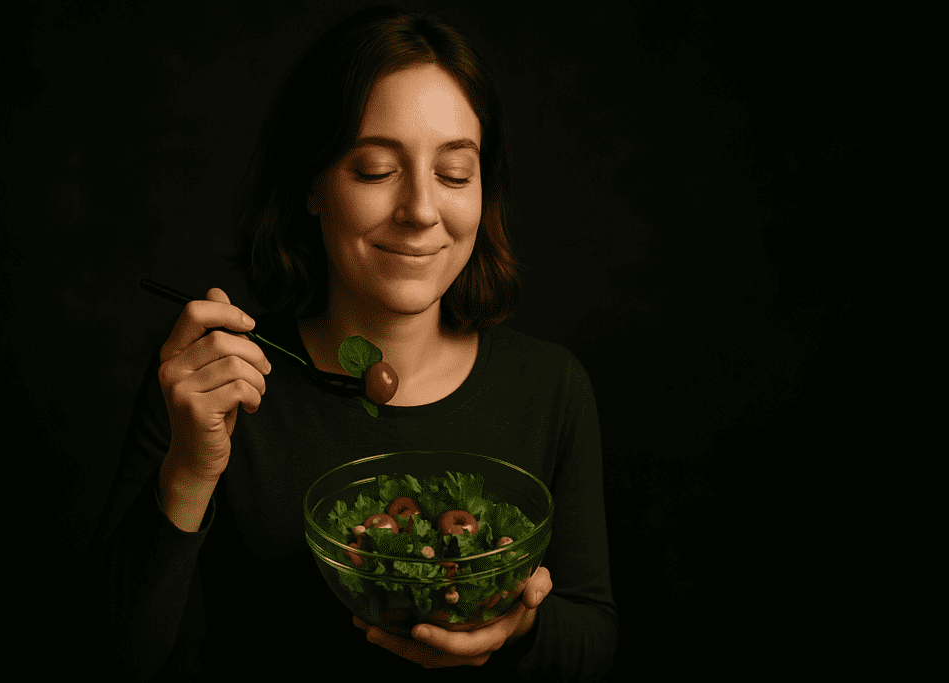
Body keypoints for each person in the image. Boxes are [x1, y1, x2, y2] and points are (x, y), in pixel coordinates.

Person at [89, 5, 618, 681]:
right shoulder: (214, 386)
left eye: (455, 173)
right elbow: (109, 656)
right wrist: (190, 468)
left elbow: (593, 635)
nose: (422, 209)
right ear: (311, 184)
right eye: (374, 169)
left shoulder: (551, 386)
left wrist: (519, 628)